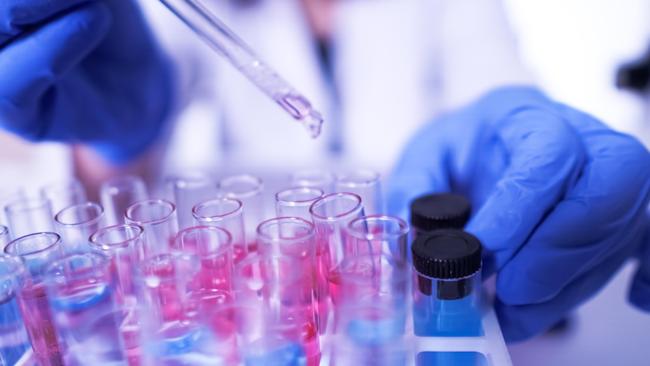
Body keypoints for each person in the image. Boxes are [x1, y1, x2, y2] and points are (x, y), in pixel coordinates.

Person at [0, 0, 648, 343]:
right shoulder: (204, 9)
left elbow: (501, 94)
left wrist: (532, 166)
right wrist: (119, 133)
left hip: (404, 308)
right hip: (267, 310)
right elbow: (120, 197)